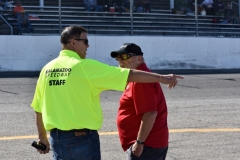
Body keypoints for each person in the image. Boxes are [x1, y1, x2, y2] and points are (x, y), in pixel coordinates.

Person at [30, 26, 183, 160]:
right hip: (81, 140)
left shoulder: (47, 69)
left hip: (57, 139)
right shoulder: (84, 67)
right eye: (85, 41)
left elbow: (38, 108)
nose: (88, 46)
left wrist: (42, 137)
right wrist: (162, 78)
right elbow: (128, 75)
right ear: (73, 42)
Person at [110, 43, 171, 159]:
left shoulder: (141, 81)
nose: (120, 61)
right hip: (148, 145)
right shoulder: (137, 77)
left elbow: (150, 113)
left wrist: (139, 142)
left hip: (147, 146)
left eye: (124, 57)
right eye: (118, 57)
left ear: (139, 59)